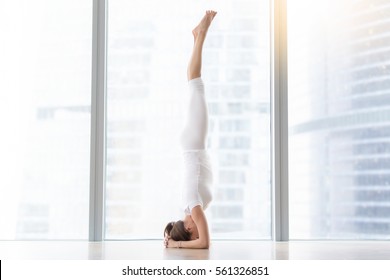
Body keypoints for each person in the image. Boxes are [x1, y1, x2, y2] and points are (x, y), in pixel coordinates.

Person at [163, 10, 217, 249]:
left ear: (187, 227)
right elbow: (201, 241)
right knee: (195, 85)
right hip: (193, 144)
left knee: (195, 83)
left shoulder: (193, 206)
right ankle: (198, 37)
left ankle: (200, 34)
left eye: (191, 234)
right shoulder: (189, 206)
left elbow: (205, 244)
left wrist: (177, 245)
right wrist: (172, 240)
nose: (197, 234)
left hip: (194, 144)